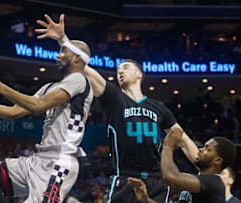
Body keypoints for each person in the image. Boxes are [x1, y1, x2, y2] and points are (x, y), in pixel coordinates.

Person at [35, 14, 199, 203]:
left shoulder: (159, 108)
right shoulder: (114, 97)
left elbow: (183, 139)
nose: (120, 71)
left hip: (157, 181)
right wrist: (63, 40)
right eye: (118, 69)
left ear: (139, 74)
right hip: (125, 177)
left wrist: (206, 169)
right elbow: (84, 66)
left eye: (126, 68)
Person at [0, 40, 93, 203]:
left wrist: (1, 88)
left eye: (64, 51)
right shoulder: (49, 87)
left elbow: (38, 106)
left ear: (77, 59)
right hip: (37, 160)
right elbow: (13, 112)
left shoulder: (79, 80)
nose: (59, 55)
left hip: (59, 162)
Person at [162, 128, 237, 203]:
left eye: (207, 149)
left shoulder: (214, 182)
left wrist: (168, 146)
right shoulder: (197, 181)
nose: (200, 149)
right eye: (203, 146)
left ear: (217, 160)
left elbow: (170, 177)